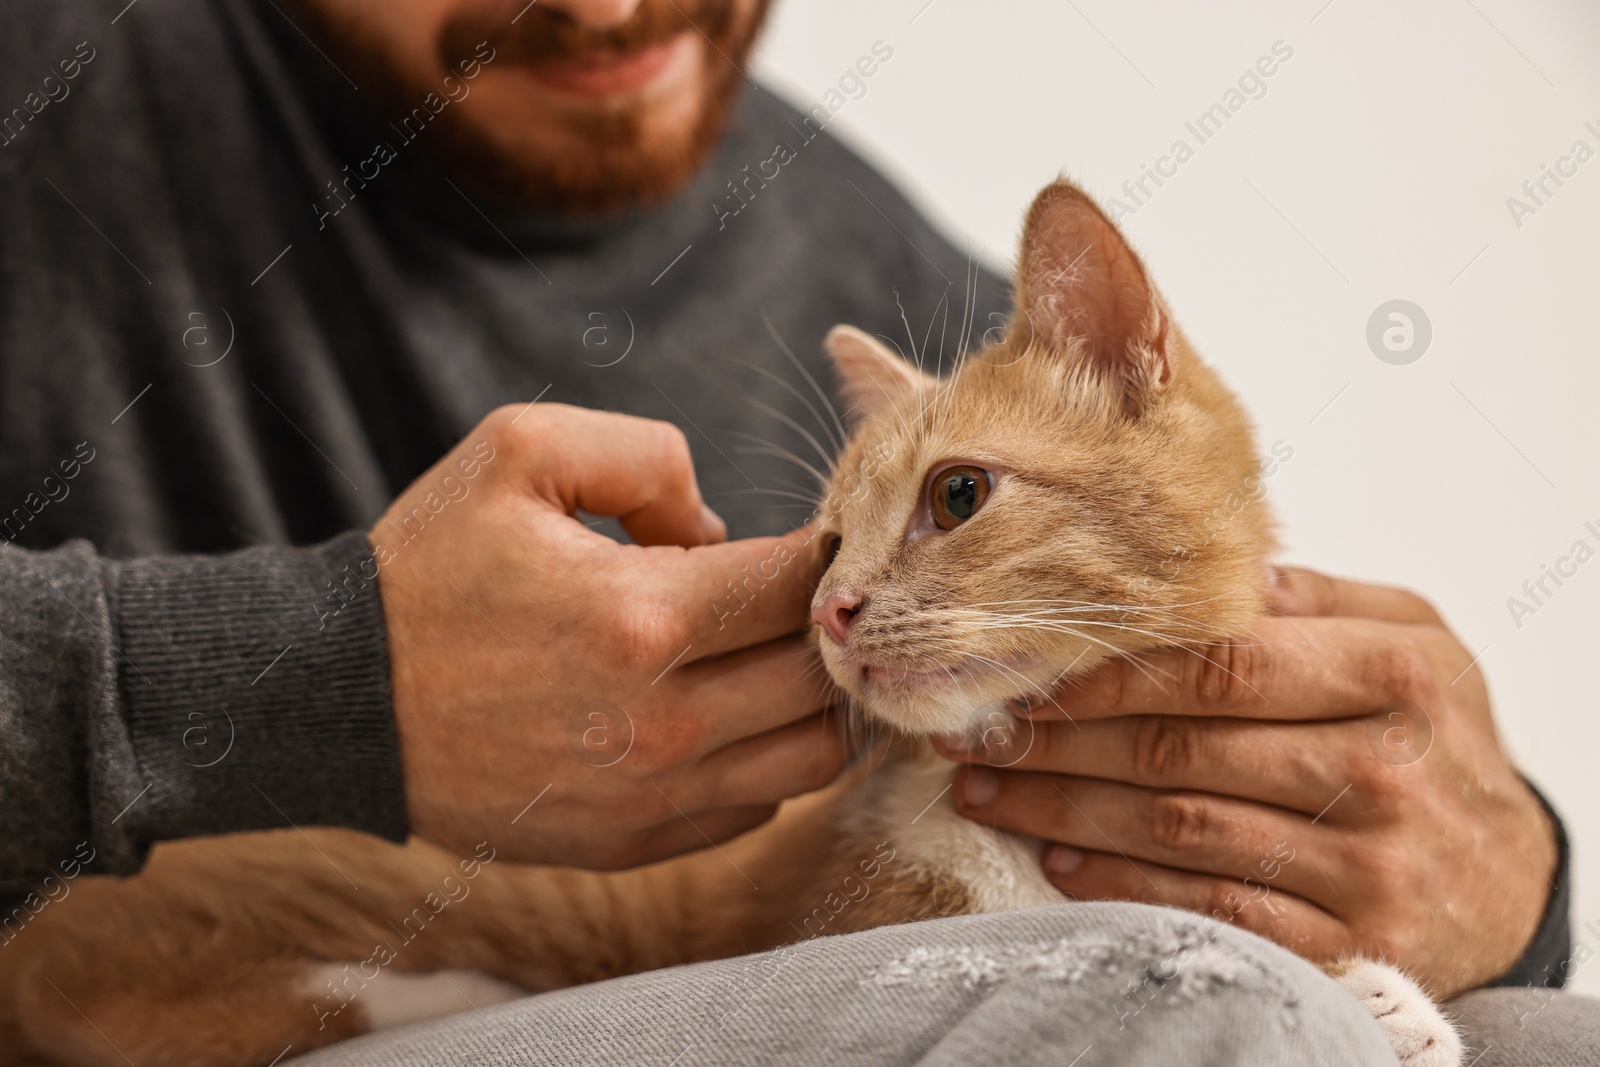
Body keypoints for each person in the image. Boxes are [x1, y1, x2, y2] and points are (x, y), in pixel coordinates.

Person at [0, 0, 1590, 1062]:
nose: (616, 6)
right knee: (1184, 1013)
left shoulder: (873, 263)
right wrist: (328, 673)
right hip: (178, 975)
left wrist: (1504, 891)